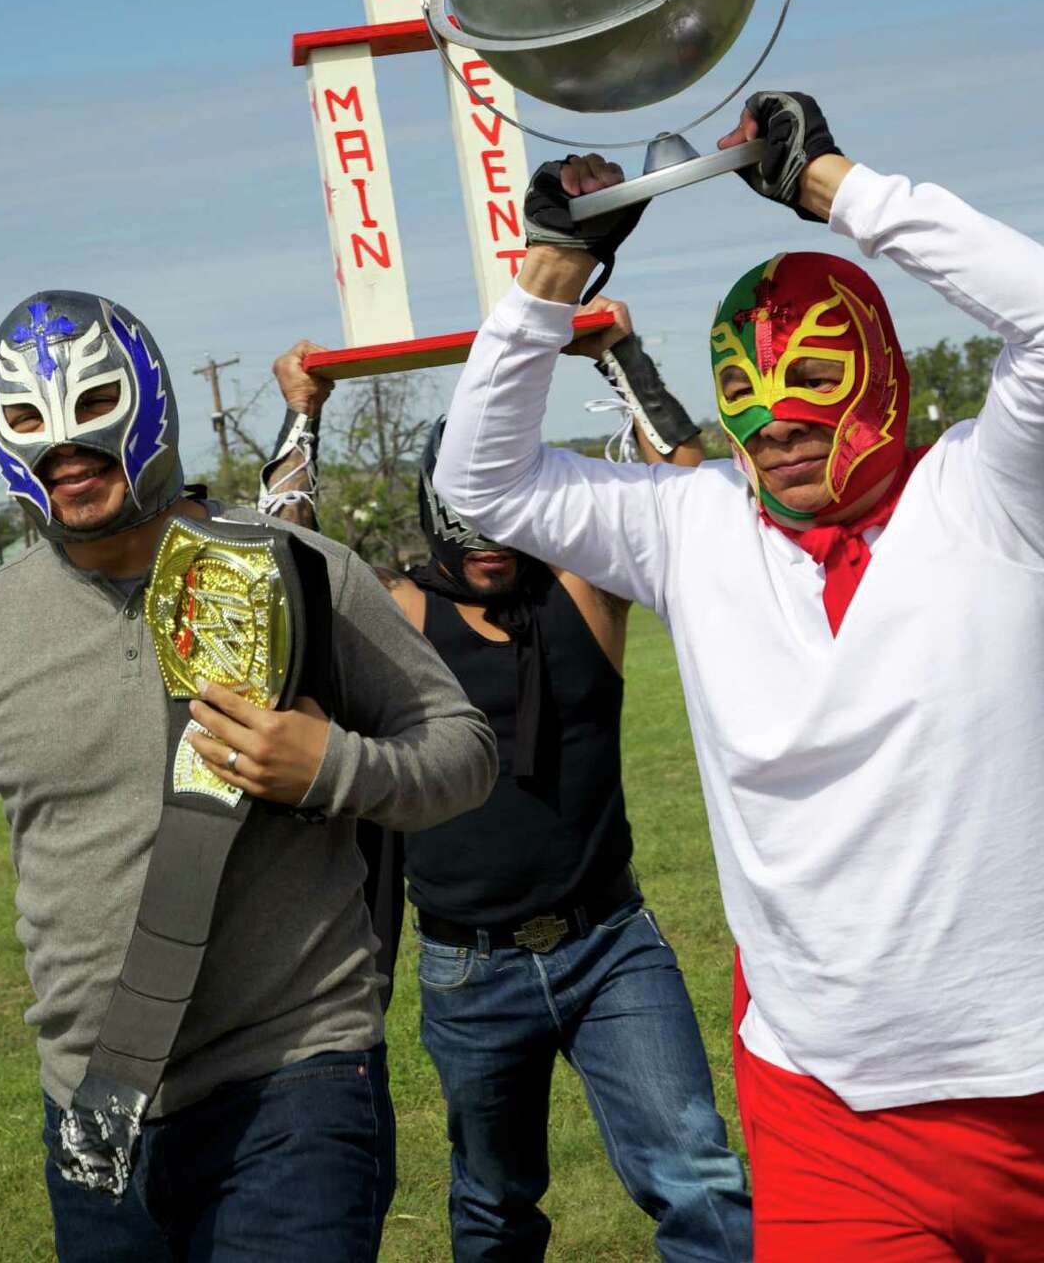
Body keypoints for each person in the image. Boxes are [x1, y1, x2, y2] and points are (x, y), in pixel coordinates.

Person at [433, 92, 1044, 1260]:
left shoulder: (994, 492)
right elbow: (483, 482)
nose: (776, 422)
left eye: (813, 375)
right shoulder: (694, 528)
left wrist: (837, 186)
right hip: (829, 1116)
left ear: (881, 366)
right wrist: (551, 273)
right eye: (748, 395)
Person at [0, 290, 497, 1263]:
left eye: (91, 432)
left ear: (147, 405)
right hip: (92, 1115)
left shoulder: (303, 570)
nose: (67, 462)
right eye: (35, 434)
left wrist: (332, 767)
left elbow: (463, 753)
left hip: (296, 1080)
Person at [264, 314, 752, 1262]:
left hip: (610, 943)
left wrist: (620, 356)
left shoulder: (580, 589)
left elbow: (699, 506)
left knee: (701, 1182)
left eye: (501, 513)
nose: (489, 541)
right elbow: (283, 584)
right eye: (466, 517)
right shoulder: (399, 614)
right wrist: (303, 424)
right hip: (468, 966)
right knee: (492, 1209)